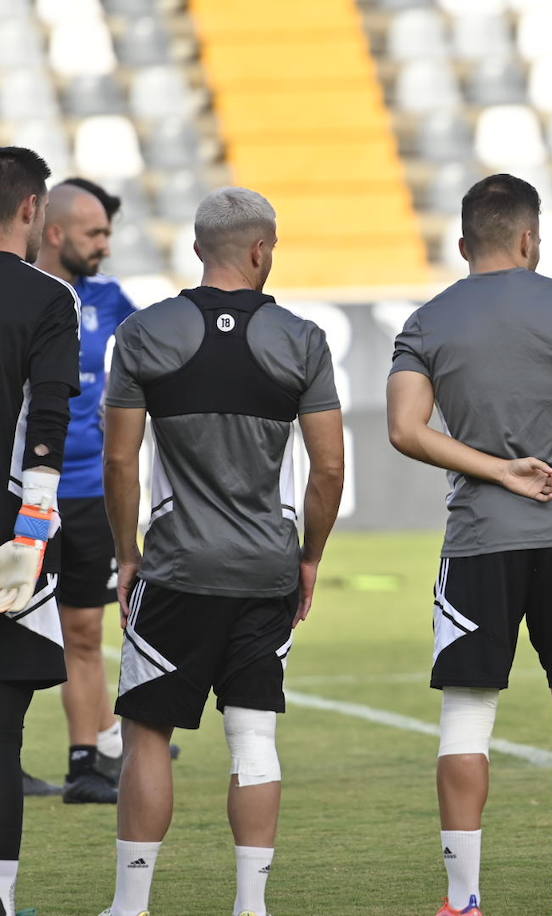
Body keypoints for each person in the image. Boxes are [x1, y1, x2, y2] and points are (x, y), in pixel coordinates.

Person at [388, 174, 552, 916]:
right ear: (531, 238)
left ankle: (463, 898)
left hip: (478, 538)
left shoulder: (430, 319)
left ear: (465, 242)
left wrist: (494, 467)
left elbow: (406, 430)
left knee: (467, 715)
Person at [99, 187, 345, 916]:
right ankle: (250, 906)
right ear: (262, 249)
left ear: (200, 248)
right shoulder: (301, 340)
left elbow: (120, 463)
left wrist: (126, 554)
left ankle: (132, 906)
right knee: (254, 735)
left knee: (148, 732)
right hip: (268, 568)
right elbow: (328, 468)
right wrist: (310, 558)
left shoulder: (145, 332)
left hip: (174, 567)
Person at [33, 179, 133, 805]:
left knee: (87, 632)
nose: (105, 244)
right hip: (25, 492)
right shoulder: (22, 296)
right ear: (54, 232)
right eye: (94, 233)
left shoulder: (111, 300)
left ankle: (86, 762)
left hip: (90, 493)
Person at [0, 146, 80, 916]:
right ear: (32, 210)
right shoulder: (48, 298)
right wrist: (31, 538)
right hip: (6, 536)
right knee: (0, 737)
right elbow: (47, 422)